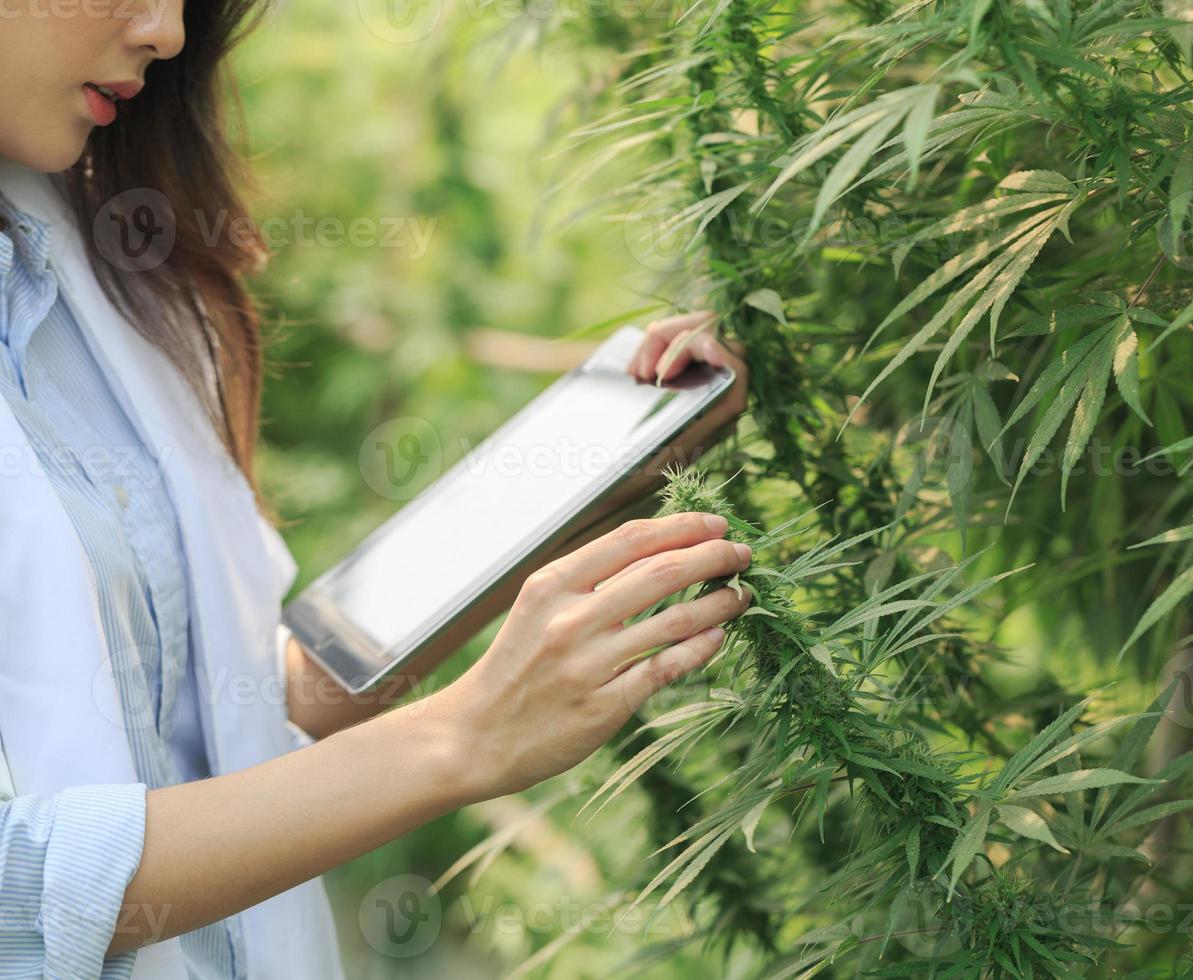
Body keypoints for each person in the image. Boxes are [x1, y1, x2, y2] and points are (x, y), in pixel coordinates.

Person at [0, 0, 751, 976]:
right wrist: (460, 739)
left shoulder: (86, 259)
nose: (169, 31)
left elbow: (221, 707)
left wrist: (568, 497)